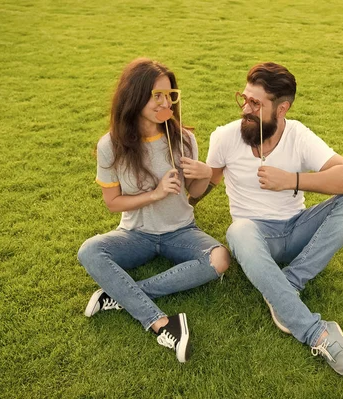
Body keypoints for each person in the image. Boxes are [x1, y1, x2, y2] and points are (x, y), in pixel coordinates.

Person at [202, 62, 343, 378]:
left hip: (296, 229)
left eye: (256, 103)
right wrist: (191, 180)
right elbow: (201, 189)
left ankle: (289, 282)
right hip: (255, 238)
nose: (246, 109)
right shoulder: (224, 137)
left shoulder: (298, 135)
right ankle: (315, 332)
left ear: (281, 109)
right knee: (237, 231)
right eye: (245, 98)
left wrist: (291, 180)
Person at [77, 58, 230, 363]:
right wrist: (155, 193)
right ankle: (163, 323)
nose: (164, 103)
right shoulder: (111, 145)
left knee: (220, 258)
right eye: (155, 96)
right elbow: (113, 203)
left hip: (181, 230)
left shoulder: (184, 139)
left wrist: (204, 173)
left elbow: (193, 195)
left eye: (168, 95)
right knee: (89, 251)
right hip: (136, 234)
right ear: (135, 97)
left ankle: (118, 294)